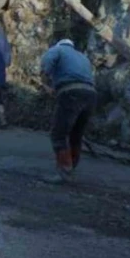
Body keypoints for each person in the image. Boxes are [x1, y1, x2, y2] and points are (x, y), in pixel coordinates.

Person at [40, 39, 97, 184]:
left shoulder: (58, 50)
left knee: (59, 134)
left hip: (71, 92)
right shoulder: (83, 57)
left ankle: (65, 172)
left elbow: (47, 62)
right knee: (76, 135)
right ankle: (71, 169)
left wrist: (44, 79)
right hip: (90, 94)